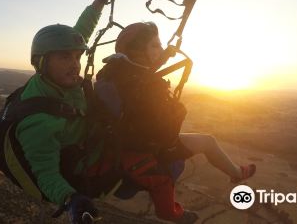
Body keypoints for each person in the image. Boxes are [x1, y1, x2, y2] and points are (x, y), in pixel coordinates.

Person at [0, 0, 123, 224]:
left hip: (88, 133)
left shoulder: (55, 77)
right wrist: (71, 200)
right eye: (64, 57)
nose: (75, 64)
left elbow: (81, 30)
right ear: (43, 62)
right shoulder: (38, 120)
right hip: (83, 164)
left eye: (76, 56)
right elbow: (45, 174)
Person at [93, 22, 256, 223]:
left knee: (208, 141)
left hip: (133, 140)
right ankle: (170, 212)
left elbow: (143, 73)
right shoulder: (137, 84)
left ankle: (238, 173)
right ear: (137, 51)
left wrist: (166, 54)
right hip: (139, 148)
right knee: (165, 174)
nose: (160, 50)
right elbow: (162, 133)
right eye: (155, 46)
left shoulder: (118, 73)